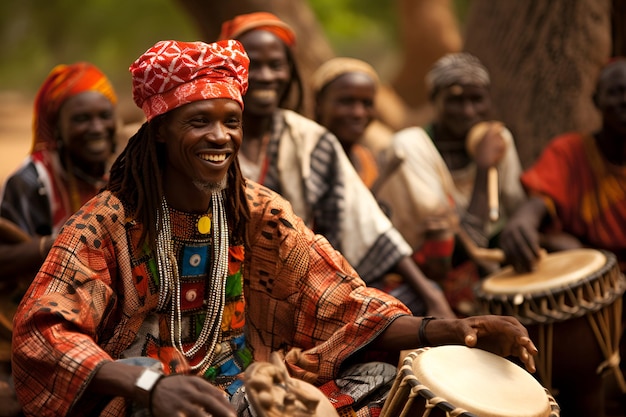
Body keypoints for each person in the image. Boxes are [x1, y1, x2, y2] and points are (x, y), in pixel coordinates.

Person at [11, 38, 539, 417]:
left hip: (252, 385)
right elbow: (44, 333)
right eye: (199, 121)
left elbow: (342, 305)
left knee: (383, 381)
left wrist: (458, 331)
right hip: (147, 398)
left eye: (231, 121)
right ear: (161, 135)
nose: (220, 136)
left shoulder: (258, 213)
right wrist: (148, 385)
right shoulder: (107, 223)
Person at [218, 12, 454, 318]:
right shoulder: (210, 137)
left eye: (275, 65)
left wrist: (431, 295)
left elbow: (367, 224)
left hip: (304, 289)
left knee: (405, 305)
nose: (265, 75)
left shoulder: (312, 140)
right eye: (252, 64)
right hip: (222, 286)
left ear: (289, 72)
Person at [498, 57, 626, 417]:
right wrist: (523, 220)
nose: (624, 101)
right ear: (596, 100)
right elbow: (540, 202)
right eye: (616, 92)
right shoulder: (570, 151)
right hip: (588, 290)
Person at [0, 62, 118, 415]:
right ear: (59, 128)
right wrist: (63, 243)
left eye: (104, 116)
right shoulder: (33, 181)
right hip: (38, 320)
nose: (96, 128)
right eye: (82, 119)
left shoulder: (124, 170)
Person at [374, 52, 526, 316]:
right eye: (455, 101)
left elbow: (516, 208)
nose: (468, 111)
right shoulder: (409, 147)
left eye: (477, 99)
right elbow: (458, 244)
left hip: (487, 262)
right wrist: (484, 169)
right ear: (434, 100)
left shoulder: (498, 139)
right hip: (432, 270)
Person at [312, 57, 381, 189]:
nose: (358, 113)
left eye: (367, 103)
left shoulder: (366, 161)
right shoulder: (301, 158)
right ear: (319, 103)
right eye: (346, 102)